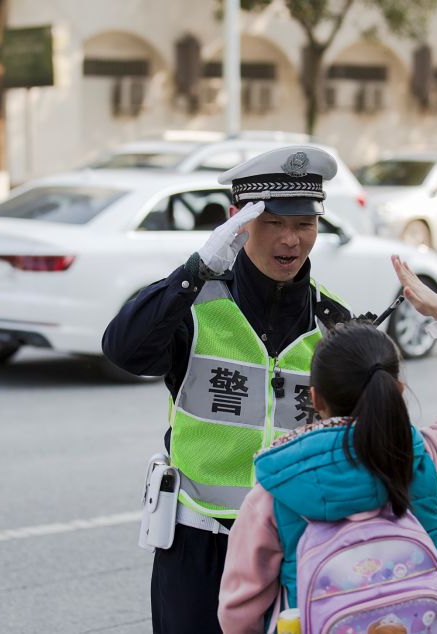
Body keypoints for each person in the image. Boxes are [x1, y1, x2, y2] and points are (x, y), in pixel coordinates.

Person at [102, 145, 353, 634]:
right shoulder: (195, 305)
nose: (291, 239)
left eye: (304, 224)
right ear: (238, 220)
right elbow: (124, 350)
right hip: (200, 543)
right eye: (273, 222)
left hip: (295, 545)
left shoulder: (331, 321)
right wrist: (196, 269)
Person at [217, 255, 437, 633]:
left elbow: (238, 611)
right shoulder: (425, 458)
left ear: (315, 398)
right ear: (398, 389)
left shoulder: (276, 488)